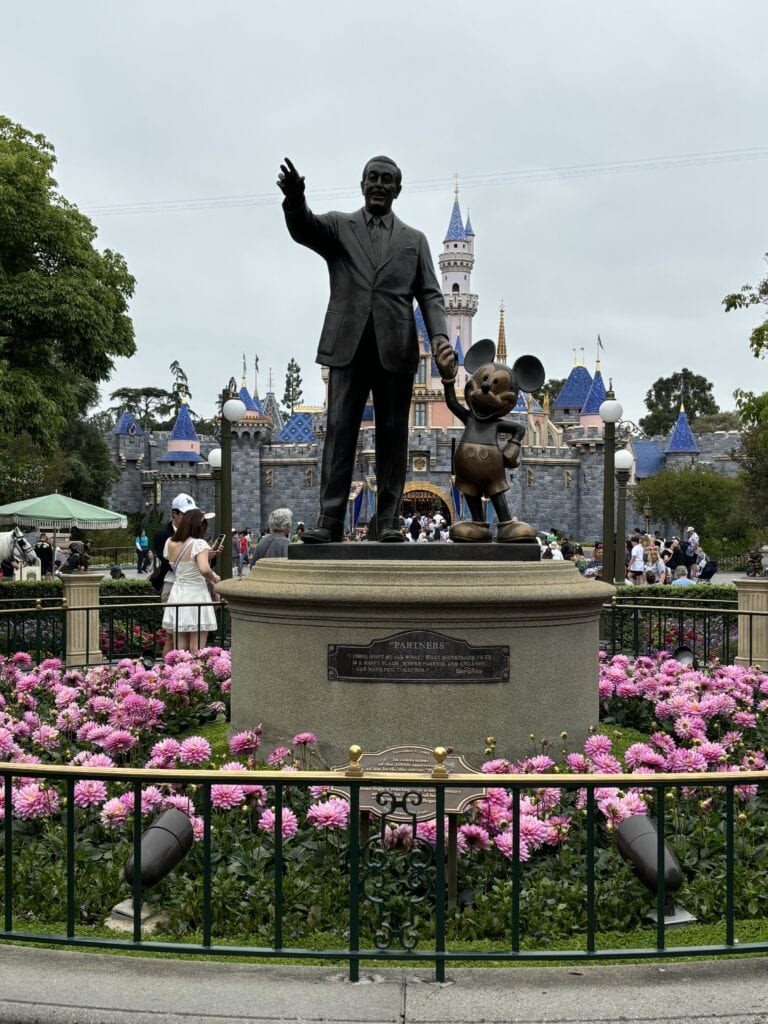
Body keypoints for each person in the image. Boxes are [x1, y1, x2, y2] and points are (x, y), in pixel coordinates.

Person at [278, 155, 454, 543]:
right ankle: (330, 521)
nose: (378, 184)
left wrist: (440, 339)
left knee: (394, 437)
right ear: (362, 184)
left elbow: (430, 294)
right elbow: (305, 229)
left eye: (386, 179)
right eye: (372, 178)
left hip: (397, 350)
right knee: (339, 432)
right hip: (348, 346)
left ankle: (389, 521)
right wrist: (294, 200)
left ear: (397, 189)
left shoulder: (414, 240)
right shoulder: (341, 226)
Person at [162, 509, 220, 653]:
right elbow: (204, 568)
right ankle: (195, 672)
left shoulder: (170, 542)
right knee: (197, 646)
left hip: (177, 594)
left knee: (180, 646)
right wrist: (215, 578)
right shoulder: (199, 544)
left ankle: (180, 672)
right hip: (196, 594)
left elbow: (180, 562)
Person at [153, 493, 215, 603]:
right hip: (172, 585)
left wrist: (208, 556)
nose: (189, 519)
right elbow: (168, 563)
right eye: (185, 515)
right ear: (174, 514)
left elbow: (208, 565)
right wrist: (198, 558)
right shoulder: (162, 535)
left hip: (196, 589)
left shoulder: (196, 535)